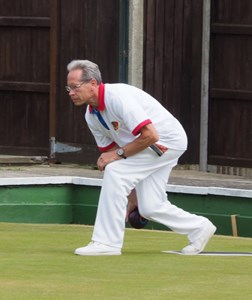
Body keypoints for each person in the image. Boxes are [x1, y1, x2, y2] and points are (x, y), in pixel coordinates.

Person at [66, 59, 216, 256]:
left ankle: (107, 243)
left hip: (166, 140)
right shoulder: (91, 115)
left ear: (93, 83)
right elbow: (120, 156)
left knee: (115, 171)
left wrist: (118, 154)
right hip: (147, 146)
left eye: (75, 87)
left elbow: (150, 136)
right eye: (68, 88)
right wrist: (132, 198)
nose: (71, 93)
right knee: (151, 206)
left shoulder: (117, 97)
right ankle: (199, 227)